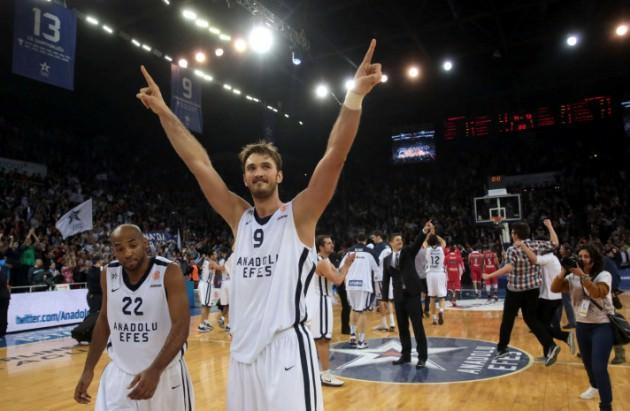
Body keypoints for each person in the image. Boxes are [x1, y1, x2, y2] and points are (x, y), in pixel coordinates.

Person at [137, 39, 382, 410]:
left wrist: (354, 96)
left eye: (266, 166)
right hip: (241, 352)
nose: (258, 172)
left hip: (286, 348)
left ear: (279, 175)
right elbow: (199, 164)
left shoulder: (299, 215)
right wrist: (163, 112)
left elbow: (335, 156)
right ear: (245, 178)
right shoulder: (240, 217)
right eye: (251, 167)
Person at [74, 224, 194, 410]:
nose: (127, 253)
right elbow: (105, 320)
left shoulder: (168, 271)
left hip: (164, 375)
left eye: (132, 245)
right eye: (119, 248)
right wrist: (88, 370)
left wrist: (155, 370)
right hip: (121, 375)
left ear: (144, 244)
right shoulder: (109, 273)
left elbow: (181, 325)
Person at [483, 221, 560, 366]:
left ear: (516, 234)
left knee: (508, 319)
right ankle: (550, 345)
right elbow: (555, 243)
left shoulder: (513, 249)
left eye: (512, 232)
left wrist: (490, 275)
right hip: (533, 289)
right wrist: (550, 226)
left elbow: (509, 268)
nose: (511, 234)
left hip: (516, 291)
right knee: (531, 319)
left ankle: (502, 348)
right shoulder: (536, 244)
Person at [551, 244, 615, 411]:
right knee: (587, 363)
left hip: (602, 325)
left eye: (586, 256)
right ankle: (594, 386)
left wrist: (583, 276)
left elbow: (596, 293)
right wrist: (564, 272)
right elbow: (555, 288)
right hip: (582, 326)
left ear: (593, 260)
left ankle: (606, 405)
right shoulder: (572, 278)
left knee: (599, 367)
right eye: (580, 256)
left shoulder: (603, 274)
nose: (582, 259)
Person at [518, 220, 577, 357]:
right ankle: (549, 351)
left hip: (550, 298)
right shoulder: (552, 257)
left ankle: (564, 337)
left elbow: (534, 259)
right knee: (542, 326)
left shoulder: (548, 258)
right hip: (551, 297)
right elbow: (554, 242)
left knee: (538, 325)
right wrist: (550, 226)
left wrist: (523, 246)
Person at [306, 235, 355, 386]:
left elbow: (338, 273)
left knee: (319, 339)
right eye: (328, 243)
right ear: (320, 247)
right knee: (322, 339)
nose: (332, 244)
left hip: (322, 300)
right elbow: (338, 280)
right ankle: (325, 374)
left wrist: (345, 265)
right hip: (321, 300)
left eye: (332, 242)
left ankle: (315, 372)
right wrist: (347, 264)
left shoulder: (325, 260)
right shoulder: (322, 262)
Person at [382, 227, 429, 369]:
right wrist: (384, 299)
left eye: (401, 240)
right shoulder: (386, 259)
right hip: (398, 297)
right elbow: (385, 280)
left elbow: (417, 243)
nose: (400, 242)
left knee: (418, 327)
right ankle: (406, 355)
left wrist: (423, 231)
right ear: (390, 243)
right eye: (397, 240)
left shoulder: (408, 252)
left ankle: (422, 357)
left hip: (412, 295)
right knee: (402, 328)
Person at [342, 233, 379, 348]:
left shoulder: (348, 251)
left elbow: (341, 268)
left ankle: (352, 336)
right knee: (362, 311)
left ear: (356, 239)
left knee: (353, 309)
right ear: (365, 240)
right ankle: (361, 341)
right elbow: (377, 270)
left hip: (350, 285)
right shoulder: (370, 252)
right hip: (363, 285)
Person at [369, 231, 395, 332]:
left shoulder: (378, 248)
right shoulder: (388, 247)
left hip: (380, 277)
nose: (373, 239)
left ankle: (385, 323)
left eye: (374, 237)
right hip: (388, 276)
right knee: (389, 300)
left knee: (381, 300)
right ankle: (391, 322)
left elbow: (375, 262)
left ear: (378, 237)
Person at [425, 232, 447, 325]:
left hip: (430, 274)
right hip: (440, 273)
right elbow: (444, 242)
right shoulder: (441, 248)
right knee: (441, 297)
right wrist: (436, 235)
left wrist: (429, 234)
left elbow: (425, 242)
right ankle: (441, 311)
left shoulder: (428, 249)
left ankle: (434, 318)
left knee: (432, 298)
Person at [197, 252, 216, 333]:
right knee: (205, 305)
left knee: (208, 305)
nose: (216, 255)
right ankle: (201, 325)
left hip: (204, 284)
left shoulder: (205, 261)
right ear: (210, 255)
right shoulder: (211, 262)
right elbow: (221, 268)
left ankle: (205, 321)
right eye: (214, 254)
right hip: (206, 285)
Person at [559, 243, 577, 329]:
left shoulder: (565, 260)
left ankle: (572, 322)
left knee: (567, 303)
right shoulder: (574, 258)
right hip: (574, 283)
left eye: (561, 249)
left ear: (566, 250)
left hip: (567, 284)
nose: (560, 250)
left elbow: (562, 273)